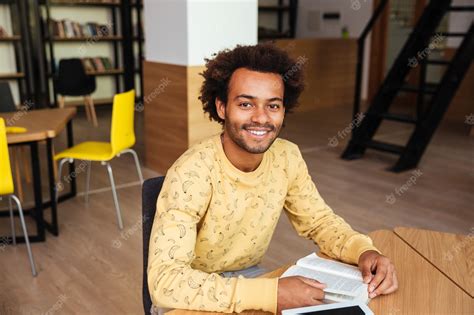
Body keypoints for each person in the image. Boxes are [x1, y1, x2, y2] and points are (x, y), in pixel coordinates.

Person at [148, 43, 398, 314]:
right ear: (221, 107)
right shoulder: (192, 172)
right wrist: (272, 293)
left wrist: (364, 252)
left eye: (273, 106)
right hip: (190, 297)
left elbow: (319, 222)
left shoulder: (287, 157)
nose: (261, 118)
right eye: (245, 104)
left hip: (251, 277)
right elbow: (166, 281)